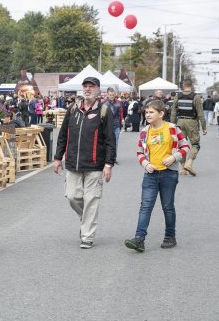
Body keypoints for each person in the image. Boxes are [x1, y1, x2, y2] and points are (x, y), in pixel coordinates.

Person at [53, 76, 116, 249]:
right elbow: (63, 135)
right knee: (72, 196)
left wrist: (108, 164)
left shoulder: (104, 111)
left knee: (91, 199)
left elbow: (110, 140)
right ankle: (86, 220)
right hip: (73, 163)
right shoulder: (73, 109)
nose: (88, 89)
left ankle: (87, 236)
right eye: (85, 86)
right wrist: (58, 158)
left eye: (91, 86)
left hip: (95, 165)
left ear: (98, 90)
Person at [124, 100, 191, 252]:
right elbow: (139, 152)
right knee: (145, 207)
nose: (147, 115)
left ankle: (170, 236)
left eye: (151, 112)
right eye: (146, 112)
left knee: (167, 206)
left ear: (161, 114)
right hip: (150, 174)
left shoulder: (173, 129)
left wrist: (174, 157)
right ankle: (139, 239)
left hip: (169, 174)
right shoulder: (144, 131)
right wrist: (145, 164)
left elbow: (185, 146)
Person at [170, 79, 206, 176]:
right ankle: (189, 163)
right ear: (191, 86)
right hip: (192, 122)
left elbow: (173, 111)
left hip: (180, 121)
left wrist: (172, 125)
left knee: (182, 145)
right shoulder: (196, 97)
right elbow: (200, 113)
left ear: (183, 86)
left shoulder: (178, 96)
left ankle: (182, 169)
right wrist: (204, 127)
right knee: (195, 144)